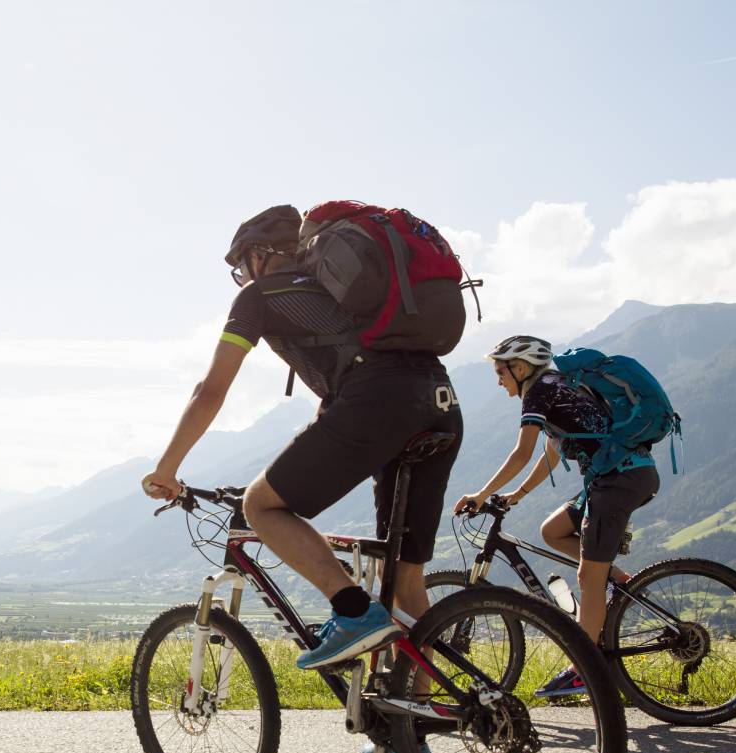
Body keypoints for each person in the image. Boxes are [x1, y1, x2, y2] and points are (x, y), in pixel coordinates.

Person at [141, 204, 464, 680]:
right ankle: (410, 734)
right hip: (440, 402)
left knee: (261, 506)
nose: (241, 276)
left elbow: (210, 391)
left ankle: (352, 610)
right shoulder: (349, 294)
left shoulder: (260, 296)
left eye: (240, 266)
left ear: (258, 255)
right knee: (405, 577)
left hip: (378, 404)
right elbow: (349, 378)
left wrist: (166, 468)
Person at [453, 334, 661, 697]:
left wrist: (480, 494)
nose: (499, 380)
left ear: (520, 368)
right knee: (553, 531)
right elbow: (552, 451)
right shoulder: (558, 386)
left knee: (587, 575)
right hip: (619, 476)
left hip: (619, 481)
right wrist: (516, 495)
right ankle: (618, 581)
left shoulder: (540, 391)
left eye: (501, 372)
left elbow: (522, 453)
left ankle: (584, 669)